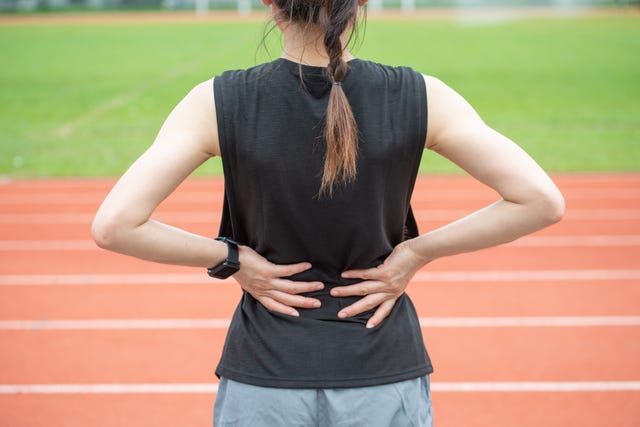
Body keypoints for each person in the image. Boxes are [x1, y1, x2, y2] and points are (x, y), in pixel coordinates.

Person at [92, 0, 565, 425]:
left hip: (265, 377)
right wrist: (416, 253)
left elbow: (116, 226)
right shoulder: (422, 94)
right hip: (382, 373)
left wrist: (233, 259)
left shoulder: (216, 101)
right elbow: (540, 201)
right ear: (360, 3)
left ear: (269, 3)